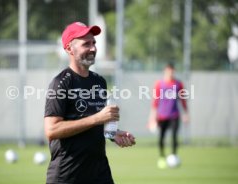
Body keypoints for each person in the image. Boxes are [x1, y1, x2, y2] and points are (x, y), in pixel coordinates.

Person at [44, 22, 136, 184]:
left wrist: (113, 134)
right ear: (69, 49)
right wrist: (98, 118)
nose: (93, 48)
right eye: (86, 44)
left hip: (100, 174)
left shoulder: (99, 81)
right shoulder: (61, 83)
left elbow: (93, 122)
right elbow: (52, 129)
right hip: (68, 175)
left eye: (94, 43)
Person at [148, 63, 189, 169]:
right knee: (161, 138)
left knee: (174, 137)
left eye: (172, 70)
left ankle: (174, 156)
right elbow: (155, 102)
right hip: (162, 116)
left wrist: (186, 114)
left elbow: (183, 100)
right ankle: (162, 157)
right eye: (168, 70)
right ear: (165, 71)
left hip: (174, 115)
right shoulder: (159, 84)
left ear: (174, 71)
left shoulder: (178, 84)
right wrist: (152, 117)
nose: (170, 72)